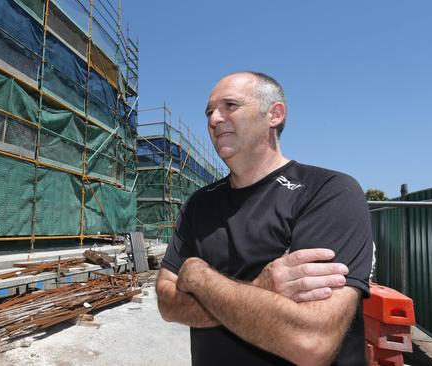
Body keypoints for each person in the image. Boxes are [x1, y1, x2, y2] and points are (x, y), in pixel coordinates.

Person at [156, 71, 373, 365]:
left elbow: (310, 342)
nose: (214, 119)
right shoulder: (199, 204)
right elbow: (167, 304)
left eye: (229, 105)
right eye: (209, 111)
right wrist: (260, 289)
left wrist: (200, 277)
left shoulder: (327, 192)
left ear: (275, 114)